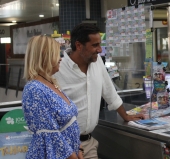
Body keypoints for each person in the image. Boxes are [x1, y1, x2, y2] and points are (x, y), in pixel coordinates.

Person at [54, 23, 144, 159]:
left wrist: (125, 116)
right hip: (64, 146)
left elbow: (109, 91)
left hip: (89, 144)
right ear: (79, 46)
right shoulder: (58, 69)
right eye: (95, 45)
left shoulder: (97, 63)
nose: (100, 50)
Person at [22, 35, 83, 159]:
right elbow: (51, 137)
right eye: (57, 53)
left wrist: (79, 149)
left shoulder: (51, 83)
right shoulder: (34, 90)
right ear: (45, 56)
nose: (60, 58)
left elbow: (70, 123)